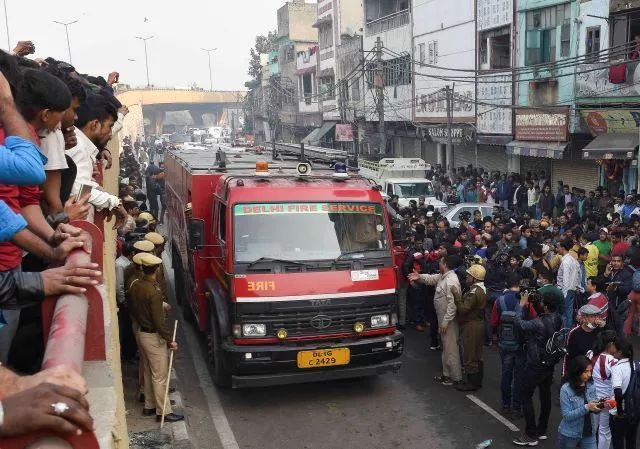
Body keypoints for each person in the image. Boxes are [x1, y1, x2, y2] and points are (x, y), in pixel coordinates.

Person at [128, 253, 183, 422]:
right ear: (157, 269)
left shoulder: (136, 285)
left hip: (141, 333)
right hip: (152, 336)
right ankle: (164, 411)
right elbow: (159, 323)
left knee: (147, 371)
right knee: (160, 376)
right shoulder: (153, 291)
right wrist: (169, 340)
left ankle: (149, 406)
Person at [512, 292, 563, 446]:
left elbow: (519, 323)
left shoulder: (538, 322)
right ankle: (542, 430)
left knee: (525, 395)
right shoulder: (558, 318)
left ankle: (530, 434)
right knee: (545, 395)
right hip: (549, 362)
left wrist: (521, 305)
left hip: (535, 364)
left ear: (546, 306)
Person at [409, 255, 463, 386]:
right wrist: (420, 277)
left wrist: (445, 322)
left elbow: (453, 305)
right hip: (443, 319)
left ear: (445, 265)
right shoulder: (443, 277)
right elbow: (431, 278)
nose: (439, 263)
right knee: (446, 348)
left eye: (441, 262)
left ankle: (455, 378)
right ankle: (447, 375)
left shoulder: (451, 281)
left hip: (447, 321)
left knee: (451, 349)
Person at [491, 272, 530, 418]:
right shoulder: (525, 300)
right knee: (519, 376)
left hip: (504, 343)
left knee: (506, 375)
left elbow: (494, 322)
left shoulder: (499, 301)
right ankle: (516, 407)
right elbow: (532, 318)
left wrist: (495, 337)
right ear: (519, 284)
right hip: (520, 344)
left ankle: (505, 404)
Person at [454, 264, 487, 391]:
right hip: (478, 323)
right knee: (477, 354)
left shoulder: (474, 291)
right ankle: (477, 381)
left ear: (475, 278)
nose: (467, 277)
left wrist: (457, 297)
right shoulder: (482, 289)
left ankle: (471, 383)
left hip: (471, 325)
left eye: (469, 275)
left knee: (469, 354)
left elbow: (463, 309)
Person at [557, 355, 600, 449]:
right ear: (577, 371)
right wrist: (586, 407)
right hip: (570, 434)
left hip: (589, 432)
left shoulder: (591, 385)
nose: (589, 374)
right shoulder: (566, 389)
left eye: (590, 371)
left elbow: (594, 407)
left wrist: (600, 406)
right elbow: (567, 415)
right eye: (585, 371)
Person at [586, 330, 619, 449]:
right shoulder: (613, 361)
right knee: (604, 431)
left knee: (591, 430)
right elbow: (617, 383)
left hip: (591, 398)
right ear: (610, 344)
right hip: (607, 401)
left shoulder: (589, 354)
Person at [610, 336, 637, 449]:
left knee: (618, 442)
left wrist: (619, 412)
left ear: (619, 352)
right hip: (634, 410)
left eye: (614, 348)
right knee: (631, 440)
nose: (612, 350)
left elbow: (618, 392)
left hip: (621, 413)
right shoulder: (635, 365)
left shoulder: (617, 368)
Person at [558, 240, 582, 328]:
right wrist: (578, 287)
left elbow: (565, 278)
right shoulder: (574, 260)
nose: (558, 248)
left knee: (564, 314)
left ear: (563, 248)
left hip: (565, 290)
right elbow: (579, 275)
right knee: (569, 311)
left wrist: (564, 293)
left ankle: (564, 333)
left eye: (559, 247)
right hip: (572, 289)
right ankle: (568, 331)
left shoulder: (566, 262)